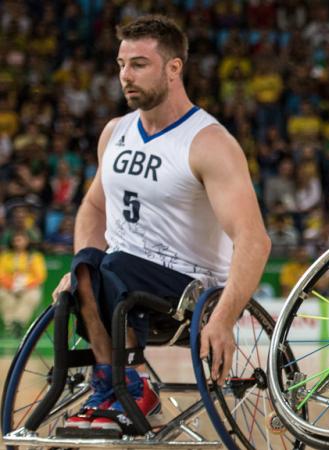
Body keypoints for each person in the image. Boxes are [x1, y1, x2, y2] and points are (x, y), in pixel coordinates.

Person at [49, 16, 271, 431]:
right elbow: (93, 208)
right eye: (120, 64)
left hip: (187, 288)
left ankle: (129, 388)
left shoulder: (209, 143)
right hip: (121, 278)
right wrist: (82, 264)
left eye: (138, 64)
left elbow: (254, 240)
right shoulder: (115, 131)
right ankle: (114, 384)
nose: (125, 76)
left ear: (173, 68)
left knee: (103, 269)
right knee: (89, 269)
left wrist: (224, 317)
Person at [0, 230, 46, 337]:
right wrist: (11, 286)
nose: (18, 242)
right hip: (9, 287)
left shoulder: (35, 257)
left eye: (20, 239)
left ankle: (19, 323)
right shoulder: (5, 256)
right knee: (2, 295)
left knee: (33, 296)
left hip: (28, 287)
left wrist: (25, 286)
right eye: (15, 239)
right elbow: (1, 274)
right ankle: (11, 325)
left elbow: (40, 276)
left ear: (27, 241)